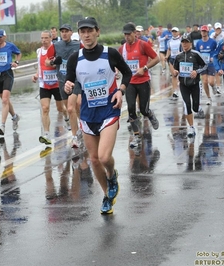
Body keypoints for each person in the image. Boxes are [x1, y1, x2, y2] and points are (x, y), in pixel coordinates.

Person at [64, 17, 132, 214]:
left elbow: (127, 73)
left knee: (103, 157)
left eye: (89, 30)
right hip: (87, 114)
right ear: (80, 35)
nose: (86, 35)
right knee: (93, 160)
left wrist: (120, 90)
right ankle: (107, 196)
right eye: (82, 31)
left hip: (109, 110)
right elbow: (69, 83)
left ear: (97, 32)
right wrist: (68, 86)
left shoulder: (109, 54)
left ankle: (111, 175)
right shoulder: (75, 59)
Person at [118, 23, 160, 149]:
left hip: (143, 81)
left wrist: (145, 68)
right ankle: (137, 137)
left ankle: (150, 114)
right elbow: (119, 63)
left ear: (134, 33)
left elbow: (156, 58)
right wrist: (116, 71)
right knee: (131, 109)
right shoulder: (122, 48)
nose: (127, 37)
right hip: (130, 82)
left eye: (129, 34)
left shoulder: (143, 44)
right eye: (125, 34)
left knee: (143, 110)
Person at [45, 24, 82, 148]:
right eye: (62, 32)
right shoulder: (55, 46)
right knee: (70, 109)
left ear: (71, 33)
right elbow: (46, 60)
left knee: (74, 107)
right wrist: (53, 62)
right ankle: (78, 130)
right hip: (62, 81)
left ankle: (77, 135)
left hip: (76, 80)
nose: (64, 34)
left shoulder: (78, 45)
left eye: (67, 31)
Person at [32, 30, 69, 145]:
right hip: (44, 84)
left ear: (50, 38)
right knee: (45, 108)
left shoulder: (56, 49)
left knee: (61, 109)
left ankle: (68, 119)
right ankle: (47, 134)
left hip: (57, 84)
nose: (44, 40)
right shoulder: (39, 51)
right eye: (42, 38)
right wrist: (37, 74)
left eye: (46, 38)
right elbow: (40, 65)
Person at [172, 35, 207, 139]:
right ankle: (191, 127)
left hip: (195, 84)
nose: (185, 44)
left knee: (194, 107)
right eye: (183, 42)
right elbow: (175, 69)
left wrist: (196, 71)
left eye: (186, 42)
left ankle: (198, 108)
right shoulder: (178, 56)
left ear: (191, 43)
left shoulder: (196, 54)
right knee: (187, 105)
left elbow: (205, 65)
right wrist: (175, 72)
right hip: (184, 85)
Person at [195, 25, 218, 105]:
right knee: (204, 81)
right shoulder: (198, 43)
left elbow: (217, 51)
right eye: (202, 31)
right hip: (203, 65)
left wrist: (213, 57)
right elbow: (197, 53)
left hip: (211, 64)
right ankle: (209, 98)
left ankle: (214, 86)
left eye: (205, 31)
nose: (203, 33)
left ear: (207, 32)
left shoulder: (213, 42)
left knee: (211, 82)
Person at [165, 26, 182, 100]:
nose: (174, 33)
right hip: (172, 59)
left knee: (181, 75)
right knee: (174, 75)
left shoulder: (181, 40)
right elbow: (169, 49)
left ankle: (182, 89)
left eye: (175, 32)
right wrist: (166, 56)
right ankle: (175, 91)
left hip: (180, 59)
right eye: (173, 32)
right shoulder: (169, 41)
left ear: (178, 32)